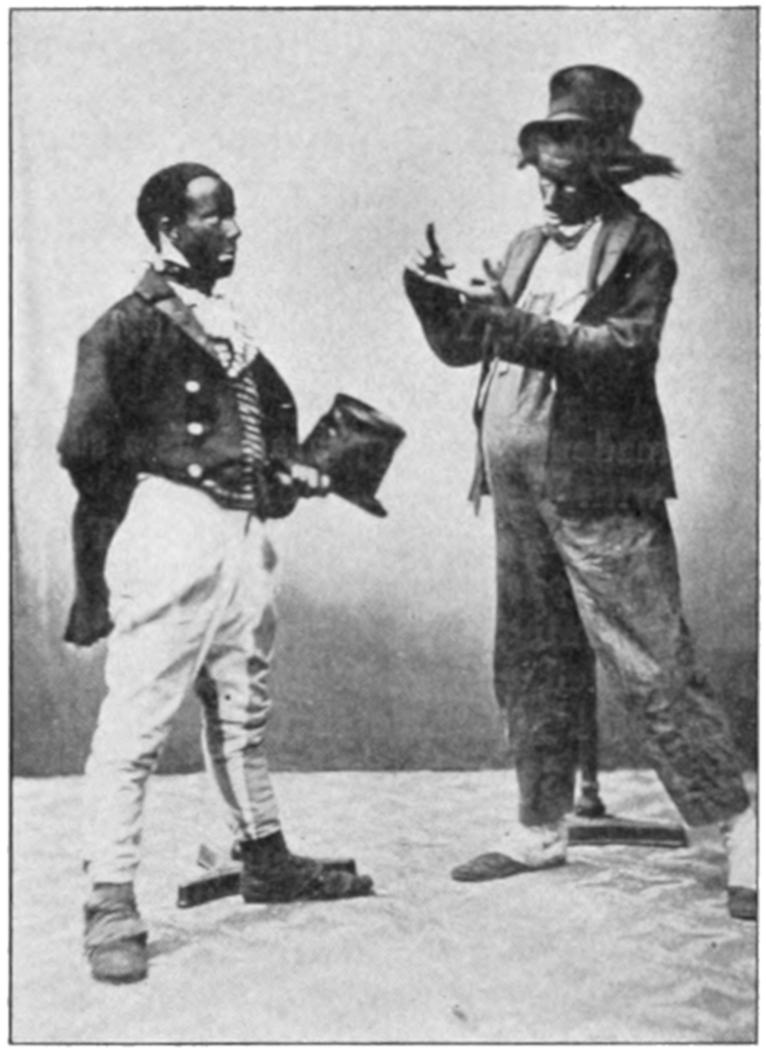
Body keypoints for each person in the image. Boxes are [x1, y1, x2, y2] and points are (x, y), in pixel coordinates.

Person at [403, 66, 756, 921]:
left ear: (605, 169)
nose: (548, 189)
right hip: (518, 485)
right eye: (540, 171)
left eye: (565, 176)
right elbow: (471, 348)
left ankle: (740, 830)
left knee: (650, 658)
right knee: (531, 652)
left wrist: (509, 323)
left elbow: (623, 353)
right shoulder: (527, 246)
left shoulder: (642, 243)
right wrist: (434, 300)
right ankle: (540, 825)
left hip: (599, 481)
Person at [58, 162, 374, 985]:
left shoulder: (226, 317)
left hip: (244, 533)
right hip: (170, 530)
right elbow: (85, 447)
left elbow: (261, 421)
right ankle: (108, 898)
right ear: (169, 228)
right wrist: (175, 484)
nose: (233, 230)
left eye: (232, 214)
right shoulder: (124, 327)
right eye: (214, 216)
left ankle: (263, 855)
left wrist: (285, 471)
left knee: (242, 703)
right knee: (136, 720)